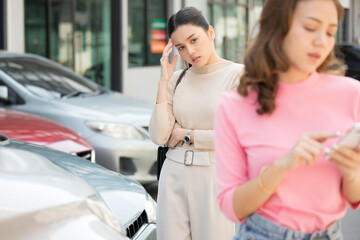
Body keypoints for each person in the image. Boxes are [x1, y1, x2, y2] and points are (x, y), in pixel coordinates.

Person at [214, 0, 360, 239]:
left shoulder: (352, 94)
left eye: (331, 32)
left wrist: (353, 173)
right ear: (277, 27)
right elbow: (232, 207)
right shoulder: (235, 105)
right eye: (311, 28)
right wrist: (281, 167)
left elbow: (354, 197)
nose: (322, 41)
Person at [149, 6, 244, 240]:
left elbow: (237, 137)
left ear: (210, 33)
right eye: (181, 47)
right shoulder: (177, 80)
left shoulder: (238, 75)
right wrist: (163, 80)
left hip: (214, 176)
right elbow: (159, 136)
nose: (190, 51)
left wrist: (184, 134)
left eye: (194, 40)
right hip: (173, 175)